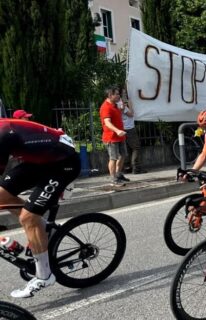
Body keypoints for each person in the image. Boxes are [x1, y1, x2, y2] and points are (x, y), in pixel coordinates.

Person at [0, 118, 80, 297]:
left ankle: (45, 276)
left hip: (63, 164)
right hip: (41, 161)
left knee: (28, 218)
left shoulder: (2, 135)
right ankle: (43, 229)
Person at [99, 86, 128, 186]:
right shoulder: (105, 107)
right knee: (113, 158)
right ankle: (113, 179)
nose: (118, 95)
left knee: (123, 155)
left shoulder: (114, 105)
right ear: (110, 95)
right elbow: (107, 123)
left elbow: (118, 113)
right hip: (111, 137)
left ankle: (118, 174)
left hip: (120, 136)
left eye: (118, 94)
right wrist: (117, 131)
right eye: (116, 94)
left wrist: (121, 108)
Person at [119, 88, 147, 175]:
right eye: (123, 93)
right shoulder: (120, 103)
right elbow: (131, 114)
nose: (125, 95)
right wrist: (130, 104)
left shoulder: (120, 103)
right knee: (136, 147)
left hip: (124, 128)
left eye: (125, 93)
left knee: (127, 148)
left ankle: (127, 167)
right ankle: (136, 167)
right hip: (128, 128)